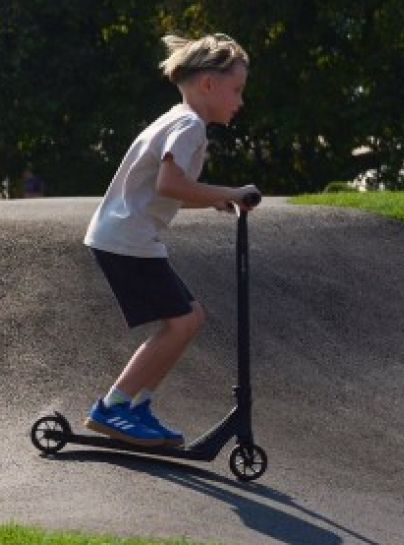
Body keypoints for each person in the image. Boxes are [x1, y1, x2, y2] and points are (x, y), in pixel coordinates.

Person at [82, 33, 259, 446]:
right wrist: (230, 193)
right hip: (128, 239)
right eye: (236, 90)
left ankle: (136, 405)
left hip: (126, 235)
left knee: (190, 318)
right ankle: (114, 408)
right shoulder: (190, 127)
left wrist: (215, 201)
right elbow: (170, 182)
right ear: (208, 85)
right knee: (180, 323)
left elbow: (168, 189)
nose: (240, 101)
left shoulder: (176, 118)